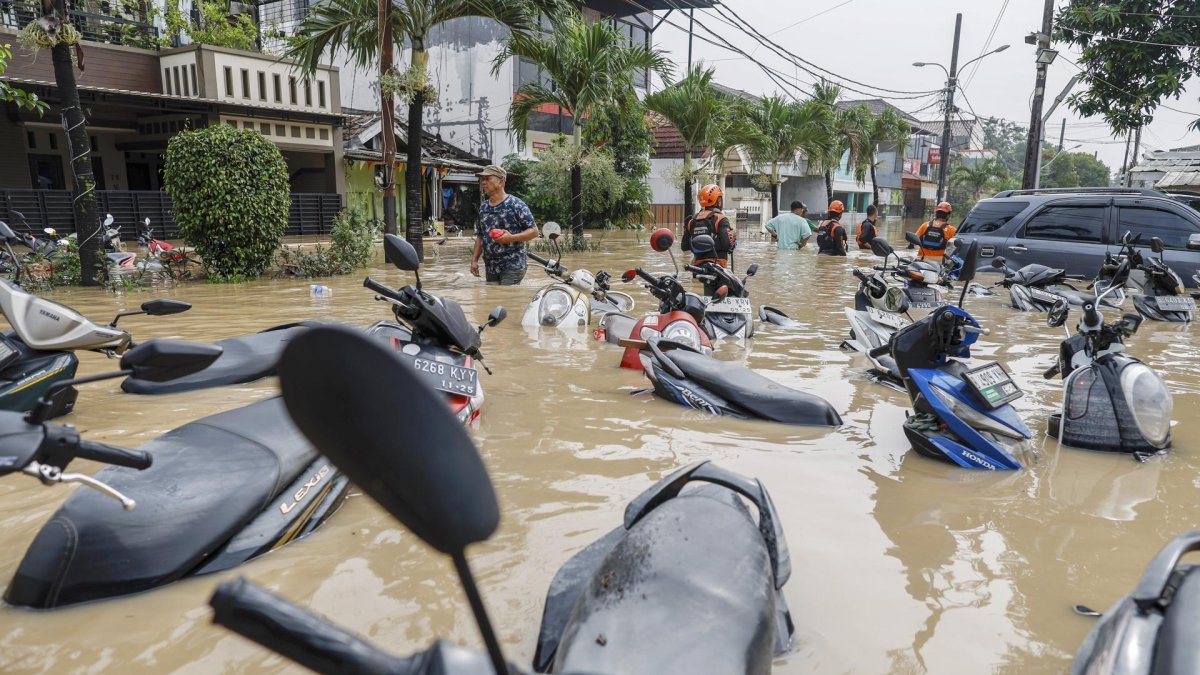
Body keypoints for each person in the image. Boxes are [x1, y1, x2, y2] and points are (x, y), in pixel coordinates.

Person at [471, 165, 539, 285]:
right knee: (493, 299)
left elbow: (534, 231)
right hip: (491, 265)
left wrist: (511, 238)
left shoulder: (516, 204)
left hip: (513, 263)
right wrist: (474, 260)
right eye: (482, 179)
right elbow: (480, 236)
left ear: (501, 181)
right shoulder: (483, 207)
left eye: (488, 178)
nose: (483, 182)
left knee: (507, 296)